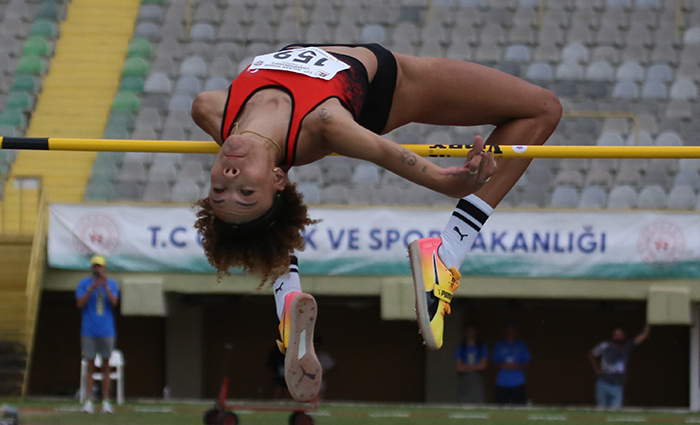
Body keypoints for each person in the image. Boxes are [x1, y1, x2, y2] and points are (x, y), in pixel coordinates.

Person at [191, 44, 561, 401]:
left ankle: (286, 294)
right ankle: (447, 252)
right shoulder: (326, 123)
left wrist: (254, 192)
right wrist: (461, 179)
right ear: (277, 180)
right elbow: (430, 174)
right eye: (246, 193)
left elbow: (258, 186)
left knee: (267, 151)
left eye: (220, 189)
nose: (231, 175)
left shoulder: (211, 110)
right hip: (395, 83)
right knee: (543, 109)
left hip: (322, 89)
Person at [75, 255, 119, 414]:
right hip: (88, 331)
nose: (97, 269)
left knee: (106, 366)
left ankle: (106, 401)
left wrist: (105, 286)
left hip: (107, 331)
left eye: (100, 266)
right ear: (92, 268)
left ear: (104, 268)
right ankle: (89, 401)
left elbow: (114, 302)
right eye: (95, 266)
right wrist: (91, 287)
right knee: (90, 366)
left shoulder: (111, 283)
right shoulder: (84, 283)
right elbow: (79, 304)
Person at [588, 325, 650, 409]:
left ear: (623, 336)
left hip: (617, 386)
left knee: (615, 413)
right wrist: (596, 368)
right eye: (616, 334)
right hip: (603, 383)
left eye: (620, 334)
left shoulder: (627, 346)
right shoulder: (605, 345)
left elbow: (642, 337)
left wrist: (648, 325)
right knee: (601, 412)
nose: (618, 336)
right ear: (613, 336)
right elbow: (591, 354)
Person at [491, 322, 531, 405]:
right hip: (502, 382)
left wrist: (515, 366)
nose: (510, 332)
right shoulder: (499, 345)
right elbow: (493, 363)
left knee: (520, 408)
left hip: (518, 382)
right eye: (508, 329)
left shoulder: (522, 345)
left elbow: (527, 363)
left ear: (516, 331)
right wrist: (504, 366)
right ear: (505, 331)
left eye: (513, 329)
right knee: (500, 408)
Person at [454, 324, 489, 404]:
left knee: (478, 400)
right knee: (463, 400)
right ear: (465, 332)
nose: (470, 333)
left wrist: (466, 367)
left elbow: (483, 366)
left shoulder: (481, 347)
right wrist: (476, 366)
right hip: (464, 378)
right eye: (469, 331)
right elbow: (459, 367)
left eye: (472, 331)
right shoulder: (461, 348)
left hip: (477, 378)